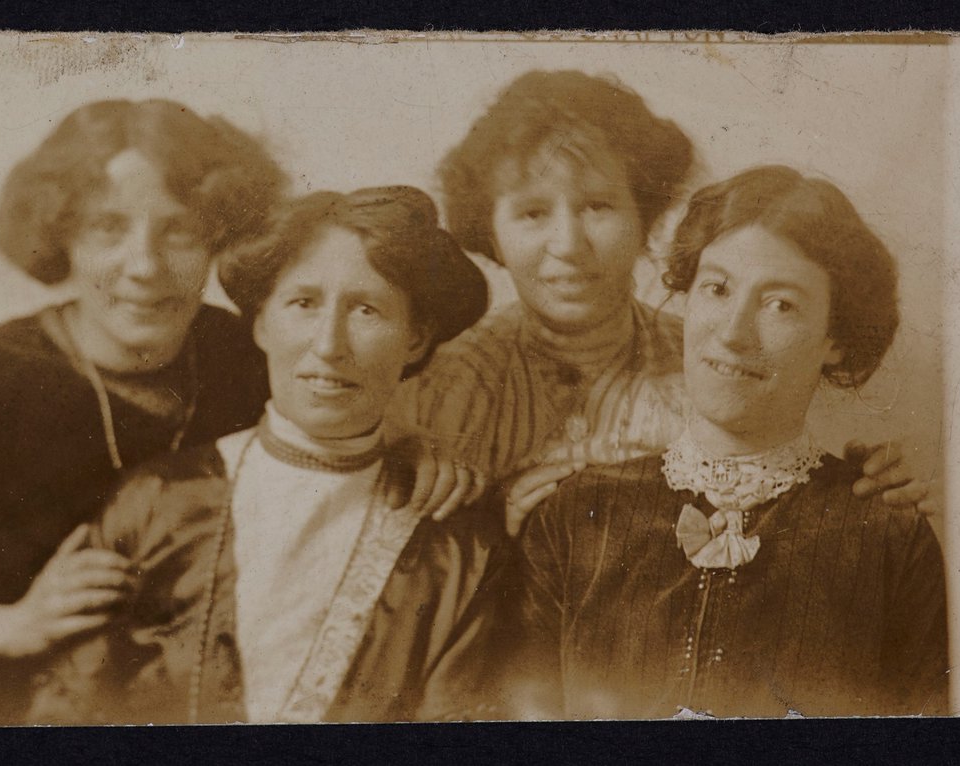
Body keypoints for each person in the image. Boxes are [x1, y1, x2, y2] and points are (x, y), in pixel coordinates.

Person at [0, 99, 285, 728]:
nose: (145, 266)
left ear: (221, 235)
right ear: (62, 237)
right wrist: (9, 628)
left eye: (180, 229)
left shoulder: (258, 360)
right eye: (108, 227)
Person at [26, 186, 501, 724]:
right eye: (303, 303)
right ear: (261, 323)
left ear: (415, 339)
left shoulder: (459, 548)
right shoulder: (158, 502)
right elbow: (64, 715)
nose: (328, 345)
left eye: (367, 310)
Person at [394, 69, 928, 536]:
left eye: (598, 206)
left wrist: (879, 481)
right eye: (532, 213)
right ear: (490, 229)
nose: (568, 245)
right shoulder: (433, 392)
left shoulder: (717, 366)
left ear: (643, 214)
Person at [509, 166, 948, 718]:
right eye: (716, 289)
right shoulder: (572, 517)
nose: (733, 332)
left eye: (780, 304)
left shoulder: (889, 536)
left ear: (835, 339)